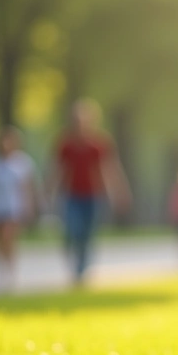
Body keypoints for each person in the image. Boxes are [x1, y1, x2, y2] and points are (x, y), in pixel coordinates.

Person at [49, 99, 132, 286]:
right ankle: (73, 257)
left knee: (88, 233)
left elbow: (110, 169)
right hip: (70, 195)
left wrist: (120, 192)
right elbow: (57, 169)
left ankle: (81, 270)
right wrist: (50, 192)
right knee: (73, 229)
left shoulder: (99, 143)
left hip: (94, 195)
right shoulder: (66, 144)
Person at [0, 126, 38, 289]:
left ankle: (11, 271)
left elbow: (27, 187)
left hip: (14, 207)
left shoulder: (22, 163)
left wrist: (29, 206)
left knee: (9, 238)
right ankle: (1, 271)